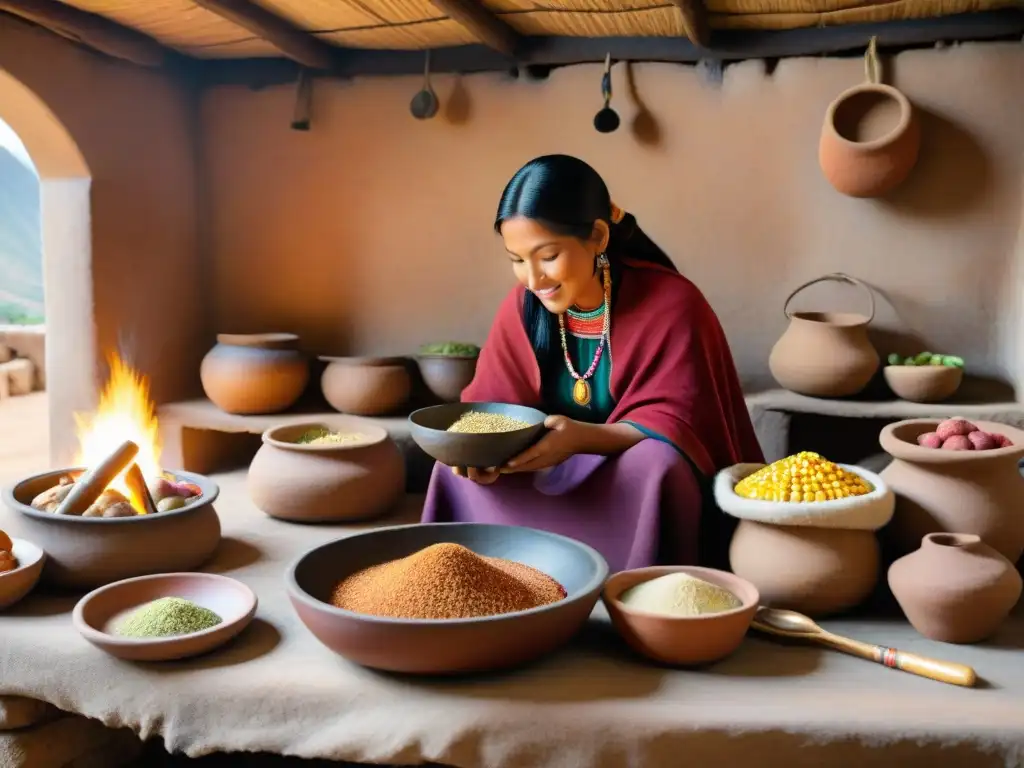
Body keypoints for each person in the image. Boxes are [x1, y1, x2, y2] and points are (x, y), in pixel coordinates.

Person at [421, 154, 764, 572]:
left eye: (547, 256)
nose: (533, 279)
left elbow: (678, 424)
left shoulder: (673, 304)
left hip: (624, 466)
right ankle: (492, 579)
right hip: (546, 459)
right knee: (453, 469)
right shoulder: (524, 306)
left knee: (658, 466)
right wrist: (475, 451)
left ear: (598, 236)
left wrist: (581, 438)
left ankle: (632, 586)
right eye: (516, 259)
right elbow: (493, 405)